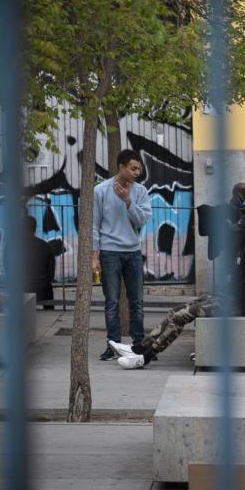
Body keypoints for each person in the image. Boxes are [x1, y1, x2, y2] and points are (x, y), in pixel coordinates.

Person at [109, 215, 245, 369]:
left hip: (235, 305)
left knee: (181, 317)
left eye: (239, 231)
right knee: (174, 312)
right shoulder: (244, 246)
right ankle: (138, 348)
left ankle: (146, 357)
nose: (236, 234)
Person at [92, 149, 152, 361]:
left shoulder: (140, 191)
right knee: (112, 302)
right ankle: (113, 345)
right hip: (109, 253)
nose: (137, 172)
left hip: (133, 252)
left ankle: (139, 345)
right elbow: (94, 225)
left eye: (139, 168)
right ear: (121, 167)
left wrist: (128, 201)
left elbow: (142, 220)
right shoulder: (100, 190)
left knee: (137, 302)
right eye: (133, 168)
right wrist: (94, 257)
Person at [24, 215, 56, 310]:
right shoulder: (46, 247)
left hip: (20, 290)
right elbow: (51, 275)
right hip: (41, 291)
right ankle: (50, 311)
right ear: (35, 228)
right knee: (48, 287)